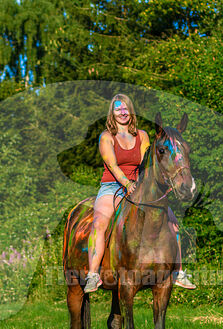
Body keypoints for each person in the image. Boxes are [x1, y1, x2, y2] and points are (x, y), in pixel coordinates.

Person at [83, 94, 196, 293]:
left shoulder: (142, 136)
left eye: (126, 108)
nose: (122, 112)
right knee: (99, 223)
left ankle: (178, 271)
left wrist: (155, 182)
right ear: (112, 113)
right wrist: (126, 183)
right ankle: (93, 274)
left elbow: (148, 163)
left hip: (139, 187)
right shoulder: (106, 137)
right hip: (112, 186)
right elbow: (112, 165)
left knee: (173, 224)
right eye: (118, 109)